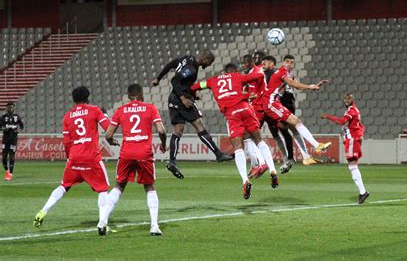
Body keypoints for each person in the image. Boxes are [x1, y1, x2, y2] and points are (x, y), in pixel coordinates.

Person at [191, 63, 280, 198]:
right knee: (258, 140)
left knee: (238, 148)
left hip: (232, 114)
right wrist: (258, 92)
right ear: (234, 71)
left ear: (224, 71)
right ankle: (273, 171)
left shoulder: (212, 81)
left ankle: (245, 180)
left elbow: (196, 86)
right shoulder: (238, 77)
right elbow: (258, 76)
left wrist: (193, 94)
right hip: (246, 109)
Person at [34, 86, 111, 233]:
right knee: (103, 189)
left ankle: (43, 211)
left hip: (74, 158)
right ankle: (102, 223)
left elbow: (67, 142)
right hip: (91, 157)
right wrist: (105, 115)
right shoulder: (94, 110)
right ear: (88, 97)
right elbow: (108, 128)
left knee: (63, 186)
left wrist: (70, 158)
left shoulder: (68, 116)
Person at [152, 50, 233, 179]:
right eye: (209, 63)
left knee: (178, 130)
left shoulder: (187, 58)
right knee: (199, 124)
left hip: (173, 99)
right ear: (205, 59)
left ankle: (172, 162)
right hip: (181, 100)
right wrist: (184, 97)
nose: (209, 65)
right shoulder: (191, 69)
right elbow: (174, 81)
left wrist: (159, 78)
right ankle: (218, 154)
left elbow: (171, 64)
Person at [102, 84, 167, 236]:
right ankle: (154, 226)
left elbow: (108, 135)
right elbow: (161, 130)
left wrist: (111, 142)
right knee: (149, 186)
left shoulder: (121, 110)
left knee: (119, 186)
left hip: (126, 153)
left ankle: (102, 221)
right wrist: (163, 144)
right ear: (141, 95)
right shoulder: (150, 108)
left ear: (128, 96)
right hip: (144, 153)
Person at [252, 55, 332, 162]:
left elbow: (297, 86)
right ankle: (304, 152)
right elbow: (291, 83)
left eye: (292, 62)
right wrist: (309, 86)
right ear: (283, 63)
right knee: (287, 128)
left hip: (274, 103)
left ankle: (308, 155)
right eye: (287, 61)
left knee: (295, 124)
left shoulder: (288, 74)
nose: (289, 64)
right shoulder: (282, 72)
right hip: (270, 103)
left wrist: (312, 86)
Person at [320, 94, 370, 204]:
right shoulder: (353, 110)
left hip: (352, 139)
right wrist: (360, 134)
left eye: (349, 98)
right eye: (345, 98)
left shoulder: (351, 110)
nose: (347, 100)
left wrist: (328, 116)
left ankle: (363, 192)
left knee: (352, 166)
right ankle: (362, 192)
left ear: (353, 100)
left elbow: (342, 121)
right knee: (352, 166)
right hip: (352, 139)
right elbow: (359, 125)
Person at [1, 102, 24, 181]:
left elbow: (22, 126)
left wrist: (19, 130)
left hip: (13, 139)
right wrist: (4, 129)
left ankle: (10, 174)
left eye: (12, 107)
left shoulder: (17, 117)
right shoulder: (3, 117)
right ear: (6, 108)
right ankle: (7, 171)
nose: (10, 108)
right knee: (4, 157)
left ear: (13, 108)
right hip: (5, 139)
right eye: (9, 107)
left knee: (12, 155)